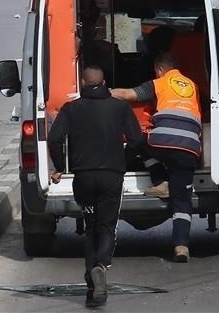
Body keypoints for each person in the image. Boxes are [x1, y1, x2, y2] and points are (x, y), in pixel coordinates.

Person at [48, 66, 142, 308]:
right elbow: (136, 139)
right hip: (112, 176)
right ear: (104, 83)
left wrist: (61, 167)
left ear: (82, 82)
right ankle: (101, 266)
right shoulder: (120, 107)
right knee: (107, 227)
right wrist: (125, 162)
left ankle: (92, 283)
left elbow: (55, 138)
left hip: (84, 178)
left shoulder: (72, 109)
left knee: (91, 228)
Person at [111, 53, 202, 263]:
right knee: (182, 200)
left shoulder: (160, 83)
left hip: (161, 142)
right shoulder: (193, 85)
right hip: (189, 148)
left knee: (137, 141)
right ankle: (181, 246)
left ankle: (160, 179)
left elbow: (128, 94)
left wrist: (100, 91)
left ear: (159, 70)